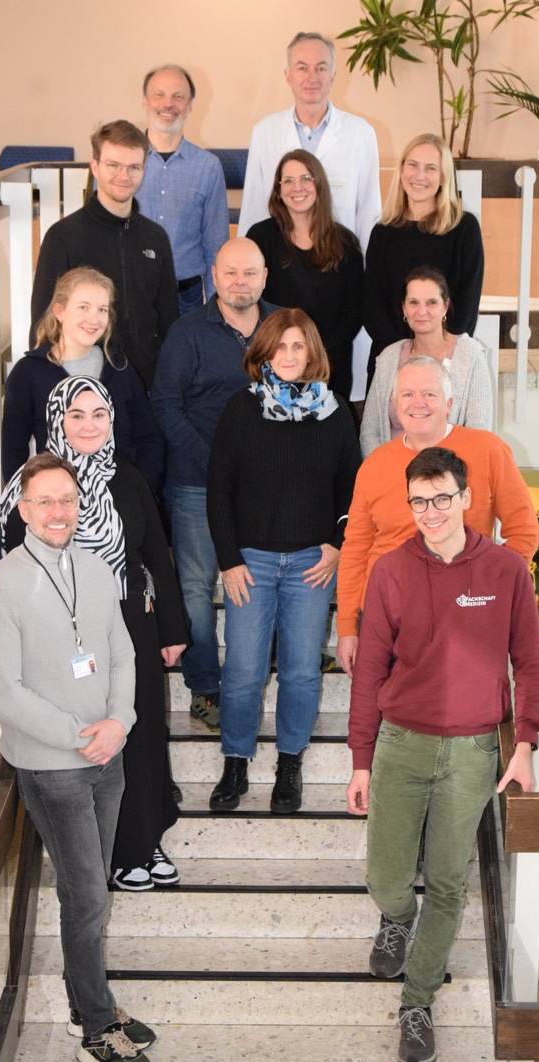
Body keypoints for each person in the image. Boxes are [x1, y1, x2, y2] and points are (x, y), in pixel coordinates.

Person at [346, 446, 539, 1062]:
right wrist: (360, 757)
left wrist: (526, 742)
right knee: (385, 877)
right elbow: (370, 668)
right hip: (402, 744)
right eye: (419, 501)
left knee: (451, 883)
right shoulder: (391, 571)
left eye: (442, 498)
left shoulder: (507, 570)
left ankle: (417, 1002)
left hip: (472, 750)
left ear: (466, 499)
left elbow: (529, 660)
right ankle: (396, 917)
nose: (430, 512)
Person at [0, 453, 157, 1062]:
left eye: (68, 501)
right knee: (85, 896)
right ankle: (97, 1028)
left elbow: (123, 654)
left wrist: (119, 723)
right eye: (45, 502)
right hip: (54, 767)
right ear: (23, 510)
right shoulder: (1, 586)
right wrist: (82, 736)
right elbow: (6, 693)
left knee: (90, 888)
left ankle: (87, 1007)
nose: (59, 512)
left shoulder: (97, 569)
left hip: (108, 755)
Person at [0, 377, 188, 892]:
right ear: (57, 419)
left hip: (131, 623)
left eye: (98, 414)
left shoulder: (126, 479)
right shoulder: (33, 486)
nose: (88, 425)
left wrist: (170, 627)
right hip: (66, 633)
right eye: (76, 415)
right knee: (96, 736)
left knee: (140, 732)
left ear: (112, 421)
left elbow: (153, 556)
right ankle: (120, 854)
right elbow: (16, 568)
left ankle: (146, 839)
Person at [206, 308, 361, 812]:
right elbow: (218, 491)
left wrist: (337, 545)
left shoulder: (336, 410)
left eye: (298, 346)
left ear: (312, 352)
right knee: (245, 671)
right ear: (264, 352)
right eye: (280, 346)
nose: (289, 356)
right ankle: (236, 763)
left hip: (311, 566)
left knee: (300, 672)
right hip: (249, 562)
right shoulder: (241, 409)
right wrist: (228, 560)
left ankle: (289, 764)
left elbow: (349, 488)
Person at [336, 356, 539, 677]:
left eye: (429, 394)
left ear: (449, 402)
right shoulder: (374, 465)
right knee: (389, 722)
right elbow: (355, 550)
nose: (418, 403)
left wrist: (488, 590)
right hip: (386, 619)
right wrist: (348, 626)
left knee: (463, 718)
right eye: (407, 394)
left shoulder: (487, 450)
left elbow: (524, 531)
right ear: (394, 404)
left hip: (462, 615)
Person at [152, 237, 274, 732]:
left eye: (249, 273)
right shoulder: (187, 334)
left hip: (268, 486)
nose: (240, 282)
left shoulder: (285, 327)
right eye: (230, 273)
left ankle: (252, 678)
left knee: (262, 580)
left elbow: (309, 394)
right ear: (213, 275)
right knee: (196, 587)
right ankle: (204, 686)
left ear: (265, 276)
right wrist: (217, 463)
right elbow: (165, 405)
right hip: (196, 482)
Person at [30, 120, 177, 391]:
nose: (124, 176)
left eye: (134, 167)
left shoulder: (156, 238)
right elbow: (42, 324)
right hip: (85, 387)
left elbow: (170, 322)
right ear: (95, 166)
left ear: (144, 169)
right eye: (114, 166)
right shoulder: (63, 236)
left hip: (146, 386)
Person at [3, 266, 164, 495]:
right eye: (83, 307)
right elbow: (13, 451)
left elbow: (149, 437)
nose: (94, 319)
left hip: (120, 507)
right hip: (58, 509)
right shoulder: (28, 373)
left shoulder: (119, 367)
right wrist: (29, 505)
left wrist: (140, 490)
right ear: (59, 310)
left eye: (102, 310)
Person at [238, 32, 381, 255]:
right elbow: (253, 211)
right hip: (280, 265)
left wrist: (367, 275)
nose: (312, 77)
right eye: (302, 68)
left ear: (333, 74)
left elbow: (369, 214)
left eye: (321, 68)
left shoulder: (360, 133)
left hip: (339, 264)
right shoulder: (264, 133)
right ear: (288, 75)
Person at [363, 134, 484, 389]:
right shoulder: (383, 232)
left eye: (431, 168)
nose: (419, 175)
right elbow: (373, 304)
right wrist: (404, 356)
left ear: (443, 178)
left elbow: (467, 305)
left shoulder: (464, 229)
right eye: (413, 165)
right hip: (391, 361)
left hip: (446, 366)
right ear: (402, 170)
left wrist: (437, 358)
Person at [246, 149, 363, 402]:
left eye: (305, 178)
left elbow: (354, 311)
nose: (296, 187)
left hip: (330, 363)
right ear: (278, 190)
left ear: (319, 185)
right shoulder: (260, 237)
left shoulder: (346, 243)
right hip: (276, 361)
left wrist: (317, 354)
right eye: (287, 181)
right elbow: (252, 301)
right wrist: (283, 352)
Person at [360, 265, 492, 456]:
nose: (422, 311)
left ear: (445, 306)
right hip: (393, 474)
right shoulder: (388, 358)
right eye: (413, 302)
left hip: (450, 478)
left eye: (431, 302)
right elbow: (370, 431)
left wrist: (441, 481)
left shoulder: (471, 355)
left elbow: (479, 435)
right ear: (403, 308)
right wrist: (386, 473)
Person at [134, 64, 229, 315]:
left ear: (189, 106)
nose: (168, 104)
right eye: (159, 95)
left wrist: (215, 310)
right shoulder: (124, 162)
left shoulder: (208, 167)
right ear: (144, 101)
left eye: (178, 96)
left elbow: (215, 245)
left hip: (188, 300)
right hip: (132, 292)